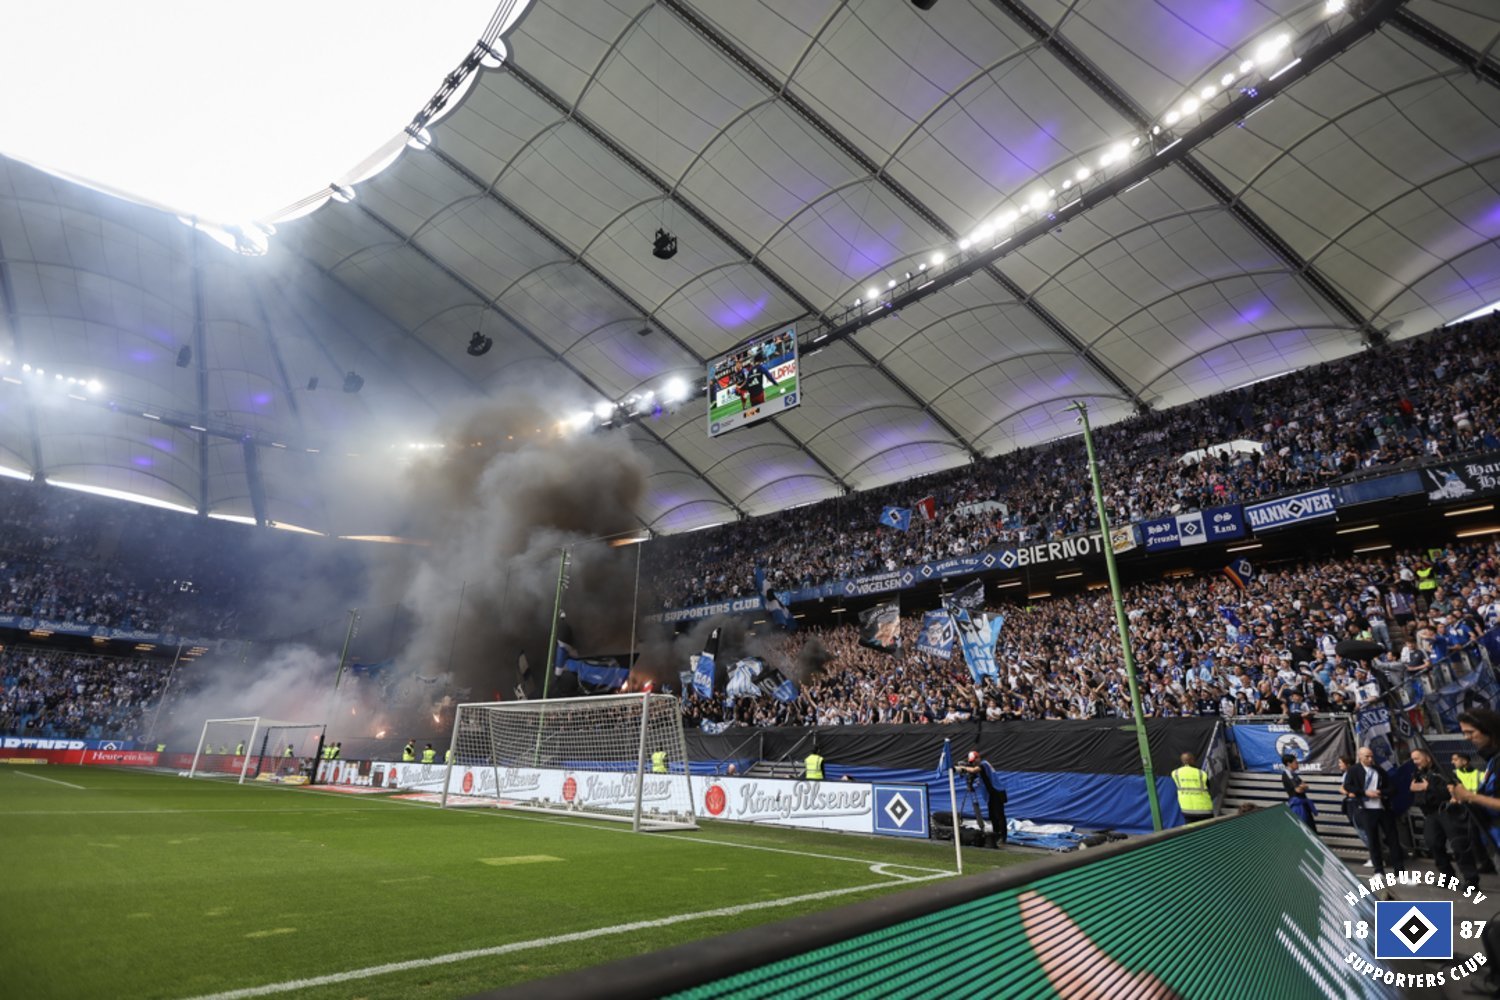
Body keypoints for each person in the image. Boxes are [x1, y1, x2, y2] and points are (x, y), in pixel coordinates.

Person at [1409, 747, 1479, 885]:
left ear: (1427, 758)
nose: (1415, 762)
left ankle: (1471, 879)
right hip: (1431, 814)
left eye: (1417, 758)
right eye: (1413, 759)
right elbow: (1417, 794)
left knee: (1459, 845)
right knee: (1433, 843)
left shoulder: (1442, 772)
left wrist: (1428, 788)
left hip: (1448, 812)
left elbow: (1451, 792)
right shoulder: (1418, 775)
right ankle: (1448, 877)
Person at [1349, 746, 1405, 874]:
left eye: (1371, 756)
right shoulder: (1354, 770)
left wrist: (1381, 792)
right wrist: (1364, 793)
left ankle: (1399, 870)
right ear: (1360, 757)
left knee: (1393, 839)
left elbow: (1392, 788)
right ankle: (1378, 870)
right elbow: (1348, 786)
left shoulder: (1378, 771)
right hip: (1366, 809)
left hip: (1382, 807)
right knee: (1373, 840)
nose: (1370, 759)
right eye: (1367, 756)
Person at [956, 750, 1008, 848]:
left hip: (997, 792)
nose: (973, 763)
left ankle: (1003, 837)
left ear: (978, 758)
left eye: (974, 761)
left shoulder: (984, 764)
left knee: (999, 815)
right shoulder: (979, 767)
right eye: (971, 762)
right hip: (991, 794)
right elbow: (974, 774)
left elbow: (974, 770)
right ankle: (996, 834)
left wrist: (963, 767)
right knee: (992, 815)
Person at [1170, 752, 1214, 824]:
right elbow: (1209, 787)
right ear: (1193, 760)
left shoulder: (1175, 773)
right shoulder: (1201, 773)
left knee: (1192, 832)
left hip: (1187, 810)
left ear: (1182, 761)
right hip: (1205, 809)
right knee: (1208, 832)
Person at [1337, 755, 1369, 848]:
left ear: (1348, 764)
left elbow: (1352, 792)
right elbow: (1342, 789)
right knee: (1360, 830)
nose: (1339, 765)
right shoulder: (1345, 775)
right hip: (1351, 805)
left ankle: (1375, 855)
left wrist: (1348, 792)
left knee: (1363, 831)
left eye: (1341, 763)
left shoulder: (1354, 774)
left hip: (1357, 805)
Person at [1280, 753, 1317, 833]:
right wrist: (1303, 786)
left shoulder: (1294, 774)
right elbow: (1298, 789)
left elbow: (1306, 786)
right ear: (1289, 763)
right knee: (1305, 828)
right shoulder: (1287, 774)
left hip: (1303, 802)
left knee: (1311, 827)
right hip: (1298, 805)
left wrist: (1303, 786)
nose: (1298, 764)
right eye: (1296, 762)